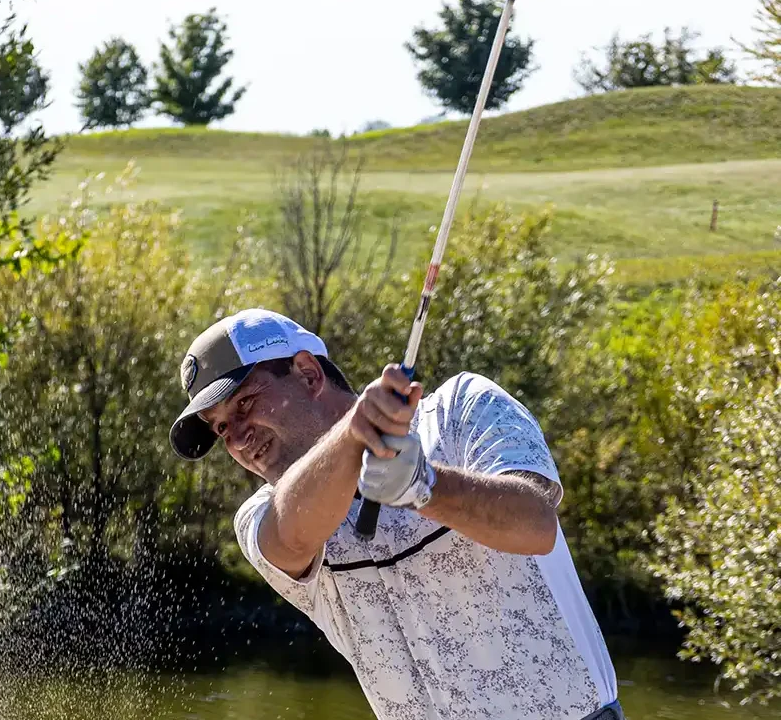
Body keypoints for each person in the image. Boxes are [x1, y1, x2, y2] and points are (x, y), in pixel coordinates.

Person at [168, 308, 622, 720]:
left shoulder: (460, 409)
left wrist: (425, 485)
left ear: (307, 374)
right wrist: (353, 436)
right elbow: (290, 538)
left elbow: (536, 523)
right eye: (222, 429)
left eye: (245, 404)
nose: (238, 438)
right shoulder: (262, 515)